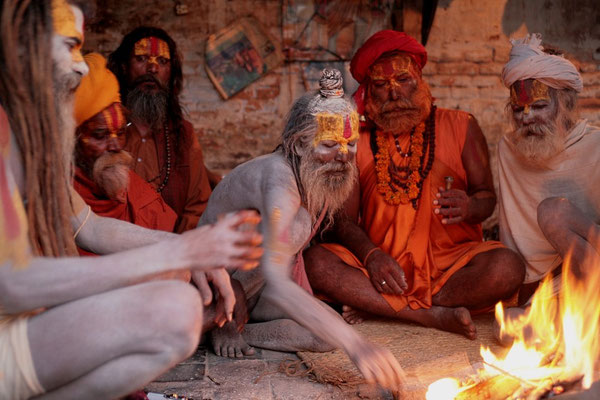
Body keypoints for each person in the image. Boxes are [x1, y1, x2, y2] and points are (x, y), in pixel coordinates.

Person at [0, 1, 262, 399]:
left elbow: (90, 227)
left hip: (27, 328)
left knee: (180, 308)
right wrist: (174, 256)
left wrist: (189, 251)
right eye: (70, 45)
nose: (82, 66)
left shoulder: (33, 143)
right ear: (25, 47)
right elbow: (11, 285)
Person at [304, 30, 525, 340]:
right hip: (383, 270)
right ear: (369, 91)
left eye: (404, 80)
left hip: (451, 269)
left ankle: (380, 307)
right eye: (381, 86)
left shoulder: (461, 125)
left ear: (420, 80)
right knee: (316, 263)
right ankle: (431, 315)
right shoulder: (357, 140)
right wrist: (372, 257)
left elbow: (487, 198)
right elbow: (342, 221)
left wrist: (471, 206)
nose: (395, 95)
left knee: (507, 267)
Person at [199, 69, 404, 389]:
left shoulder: (312, 178)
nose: (342, 156)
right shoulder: (278, 179)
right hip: (215, 286)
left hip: (255, 291)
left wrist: (346, 338)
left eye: (350, 145)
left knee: (325, 335)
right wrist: (357, 346)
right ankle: (222, 324)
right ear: (297, 146)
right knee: (298, 230)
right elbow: (279, 280)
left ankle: (245, 330)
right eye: (329, 144)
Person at [498, 33, 600, 306]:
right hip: (550, 285)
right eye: (518, 110)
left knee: (553, 212)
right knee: (507, 329)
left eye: (540, 106)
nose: (527, 118)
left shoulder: (596, 145)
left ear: (564, 105)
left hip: (595, 267)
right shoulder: (507, 149)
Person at [108, 27, 219, 233]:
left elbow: (197, 205)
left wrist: (176, 250)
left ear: (171, 73)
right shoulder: (105, 132)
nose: (152, 68)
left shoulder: (184, 135)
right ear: (124, 67)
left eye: (162, 61)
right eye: (141, 59)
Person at [73, 52, 178, 241]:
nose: (115, 145)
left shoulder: (144, 198)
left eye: (120, 133)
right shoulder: (56, 194)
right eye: (100, 135)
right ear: (73, 139)